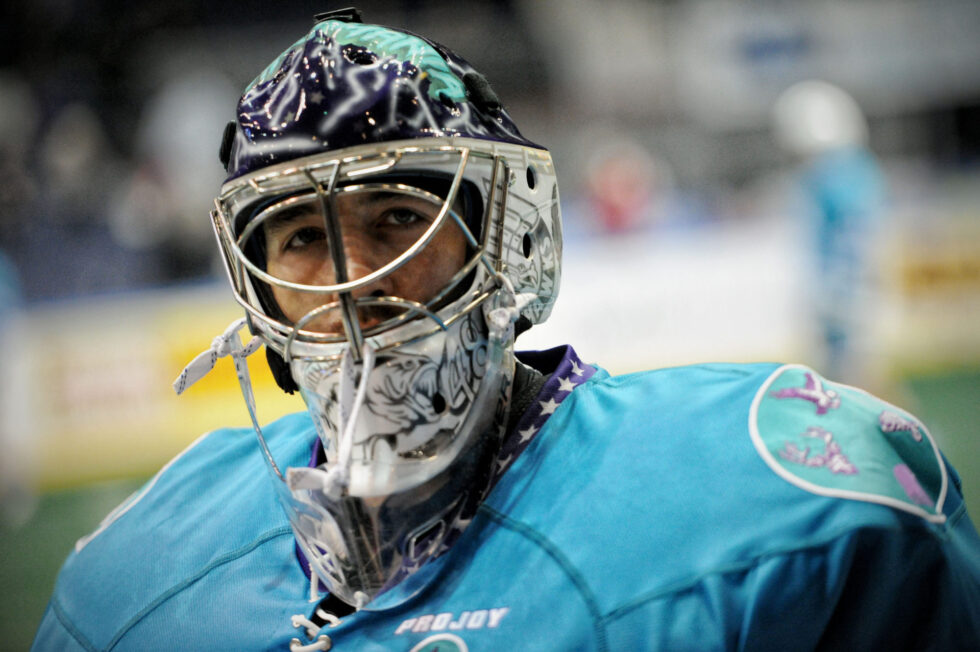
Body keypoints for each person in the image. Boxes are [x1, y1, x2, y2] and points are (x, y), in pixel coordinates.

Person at [33, 10, 980, 651]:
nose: (355, 284)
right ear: (258, 285)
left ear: (505, 236)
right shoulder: (129, 584)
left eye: (398, 217)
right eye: (300, 238)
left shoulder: (787, 513)